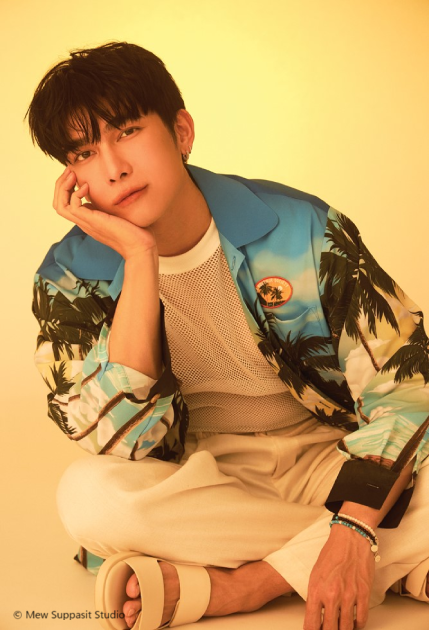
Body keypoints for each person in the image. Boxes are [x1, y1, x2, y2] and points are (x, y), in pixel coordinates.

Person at [26, 41, 429, 630]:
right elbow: (123, 444)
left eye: (128, 132)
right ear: (73, 178)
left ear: (181, 132)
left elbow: (407, 386)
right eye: (85, 153)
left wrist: (352, 523)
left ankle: (242, 585)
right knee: (88, 497)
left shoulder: (299, 227)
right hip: (200, 479)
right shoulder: (68, 280)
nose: (113, 168)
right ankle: (390, 556)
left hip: (334, 456)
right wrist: (139, 259)